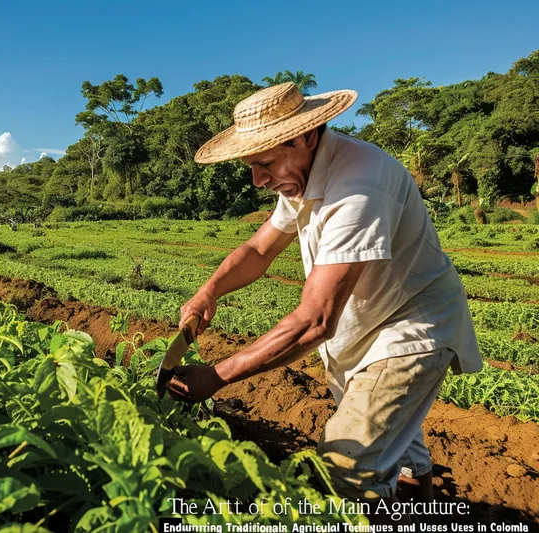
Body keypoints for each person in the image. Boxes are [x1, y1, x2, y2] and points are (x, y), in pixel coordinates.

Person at [166, 82, 483, 523]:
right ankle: (416, 513)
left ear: (304, 137)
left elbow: (315, 320)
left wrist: (217, 376)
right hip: (368, 324)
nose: (258, 180)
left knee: (345, 465)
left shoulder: (359, 187)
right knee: (398, 448)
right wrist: (208, 292)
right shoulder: (301, 177)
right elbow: (259, 250)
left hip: (409, 329)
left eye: (263, 163)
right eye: (251, 166)